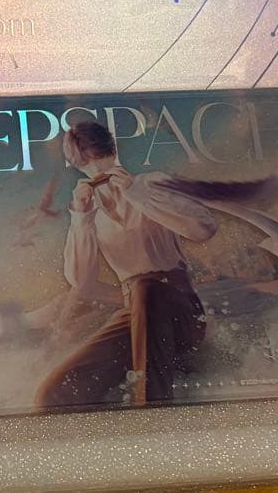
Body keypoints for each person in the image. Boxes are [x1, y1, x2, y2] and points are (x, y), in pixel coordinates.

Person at [34, 120, 218, 409]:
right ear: (77, 165)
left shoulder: (150, 184)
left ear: (113, 150)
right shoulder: (89, 209)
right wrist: (81, 218)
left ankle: (153, 416)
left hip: (181, 308)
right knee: (53, 395)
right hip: (133, 311)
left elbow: (204, 229)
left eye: (100, 158)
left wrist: (138, 194)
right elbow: (82, 284)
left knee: (146, 288)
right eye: (88, 163)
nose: (98, 169)